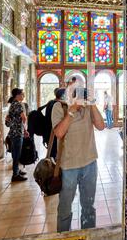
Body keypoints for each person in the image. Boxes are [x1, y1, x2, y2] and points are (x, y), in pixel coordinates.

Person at [52, 88, 105, 232]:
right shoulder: (59, 107)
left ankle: (88, 237)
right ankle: (63, 236)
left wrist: (92, 104)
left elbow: (101, 126)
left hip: (90, 164)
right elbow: (59, 132)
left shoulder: (88, 107)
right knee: (65, 207)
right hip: (68, 166)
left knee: (88, 206)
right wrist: (72, 110)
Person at [6, 88, 29, 182]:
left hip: (14, 132)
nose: (23, 96)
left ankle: (16, 171)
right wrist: (25, 128)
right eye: (22, 94)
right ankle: (15, 175)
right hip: (17, 133)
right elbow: (23, 118)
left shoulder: (13, 104)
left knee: (16, 153)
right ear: (17, 95)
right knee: (17, 154)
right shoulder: (17, 104)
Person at [45, 87, 66, 159]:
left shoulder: (50, 103)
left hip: (48, 131)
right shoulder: (58, 105)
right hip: (54, 133)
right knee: (54, 155)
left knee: (51, 154)